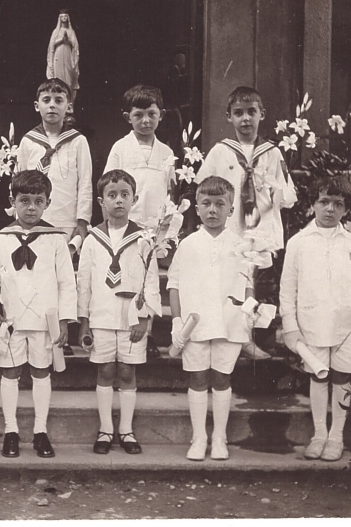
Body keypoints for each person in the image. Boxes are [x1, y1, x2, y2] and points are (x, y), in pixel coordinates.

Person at [279, 175, 351, 462]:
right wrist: (290, 326)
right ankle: (320, 433)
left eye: (338, 204)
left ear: (346, 210)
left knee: (342, 376)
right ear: (313, 205)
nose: (330, 209)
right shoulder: (298, 243)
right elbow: (287, 288)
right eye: (324, 202)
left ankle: (337, 436)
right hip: (313, 323)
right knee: (318, 376)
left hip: (348, 325)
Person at [0, 170, 77, 459]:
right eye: (24, 201)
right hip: (12, 318)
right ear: (13, 201)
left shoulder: (55, 240)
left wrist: (63, 320)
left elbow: (66, 282)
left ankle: (40, 431)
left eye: (39, 201)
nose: (31, 208)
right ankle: (11, 430)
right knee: (10, 372)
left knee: (40, 371)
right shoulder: (1, 239)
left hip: (43, 320)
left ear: (48, 203)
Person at [167, 176, 254, 461]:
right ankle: (198, 436)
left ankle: (219, 436)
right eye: (206, 204)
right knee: (198, 377)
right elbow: (175, 284)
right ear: (197, 208)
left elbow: (248, 283)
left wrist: (249, 312)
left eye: (220, 204)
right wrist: (177, 322)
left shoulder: (240, 244)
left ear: (231, 208)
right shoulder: (188, 244)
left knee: (221, 377)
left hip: (229, 323)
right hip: (196, 324)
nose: (212, 210)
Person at [77, 170, 161, 455]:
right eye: (112, 196)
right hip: (100, 317)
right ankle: (105, 430)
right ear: (101, 201)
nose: (119, 201)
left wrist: (145, 318)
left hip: (131, 319)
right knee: (105, 370)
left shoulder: (143, 239)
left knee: (127, 372)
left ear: (134, 199)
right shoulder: (92, 239)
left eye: (125, 195)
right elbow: (84, 284)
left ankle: (125, 430)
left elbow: (150, 280)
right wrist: (84, 322)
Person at [194, 86, 297, 251]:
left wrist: (274, 191)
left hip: (263, 229)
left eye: (251, 112)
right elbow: (201, 189)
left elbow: (287, 197)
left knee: (260, 274)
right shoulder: (220, 151)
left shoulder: (272, 152)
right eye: (238, 113)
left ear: (261, 114)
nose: (246, 118)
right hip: (229, 227)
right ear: (229, 117)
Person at [17, 77, 93, 249]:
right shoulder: (28, 141)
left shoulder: (78, 141)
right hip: (32, 219)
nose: (52, 105)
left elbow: (85, 183)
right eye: (46, 100)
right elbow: (17, 182)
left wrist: (82, 221)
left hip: (66, 220)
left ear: (69, 107)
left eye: (59, 100)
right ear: (37, 106)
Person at [103, 85, 176, 228]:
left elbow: (170, 192)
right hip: (126, 224)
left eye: (151, 114)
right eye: (138, 115)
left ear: (161, 115)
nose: (145, 120)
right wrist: (109, 227)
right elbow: (106, 188)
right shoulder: (120, 148)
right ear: (127, 117)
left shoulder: (167, 152)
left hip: (157, 226)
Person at [46, 9, 79, 106]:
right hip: (58, 57)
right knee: (58, 79)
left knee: (69, 80)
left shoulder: (71, 31)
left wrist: (68, 40)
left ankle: (69, 104)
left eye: (65, 16)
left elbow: (75, 45)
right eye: (62, 17)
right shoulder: (56, 31)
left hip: (68, 57)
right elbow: (52, 45)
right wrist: (61, 40)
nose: (64, 18)